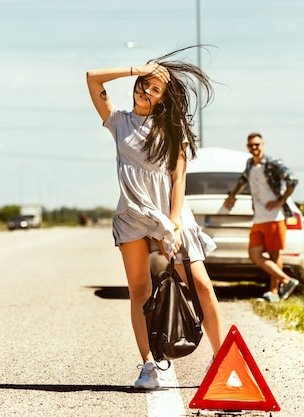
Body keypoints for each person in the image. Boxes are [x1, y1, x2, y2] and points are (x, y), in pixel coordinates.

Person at [86, 47, 224, 390]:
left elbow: (179, 179)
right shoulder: (118, 121)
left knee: (201, 285)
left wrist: (174, 223)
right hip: (132, 215)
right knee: (139, 290)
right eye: (142, 84)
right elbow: (92, 78)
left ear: (163, 99)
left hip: (171, 216)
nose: (144, 91)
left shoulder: (171, 129)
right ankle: (148, 366)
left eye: (153, 89)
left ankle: (221, 359)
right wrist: (138, 68)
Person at [223, 132, 300, 302]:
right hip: (259, 218)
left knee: (274, 256)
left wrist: (281, 201)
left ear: (263, 145)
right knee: (254, 253)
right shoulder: (250, 164)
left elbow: (292, 180)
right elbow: (243, 179)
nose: (254, 148)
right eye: (251, 145)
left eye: (257, 145)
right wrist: (232, 195)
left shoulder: (273, 164)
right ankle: (287, 280)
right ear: (247, 147)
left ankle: (274, 293)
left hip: (274, 217)